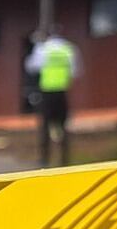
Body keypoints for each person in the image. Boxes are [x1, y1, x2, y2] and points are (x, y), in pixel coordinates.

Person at [24, 25, 79, 167]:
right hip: (62, 91)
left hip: (47, 91)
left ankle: (44, 159)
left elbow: (31, 67)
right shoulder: (69, 49)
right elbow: (76, 71)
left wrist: (35, 48)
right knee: (62, 126)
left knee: (45, 126)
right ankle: (64, 160)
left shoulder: (43, 49)